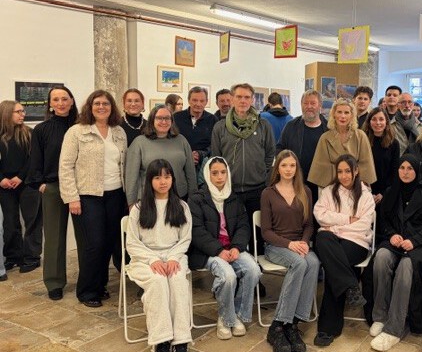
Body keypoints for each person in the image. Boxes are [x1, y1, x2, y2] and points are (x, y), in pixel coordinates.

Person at [59, 90, 128, 307]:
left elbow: (123, 163)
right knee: (93, 244)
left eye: (105, 104)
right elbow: (65, 166)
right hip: (88, 196)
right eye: (97, 103)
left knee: (108, 243)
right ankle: (87, 291)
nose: (101, 107)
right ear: (89, 107)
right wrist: (72, 197)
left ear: (112, 107)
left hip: (116, 194)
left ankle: (100, 285)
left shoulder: (119, 132)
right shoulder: (76, 132)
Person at [369, 155, 422, 351]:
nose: (406, 172)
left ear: (417, 170)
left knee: (406, 265)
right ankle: (380, 316)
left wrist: (415, 241)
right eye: (402, 168)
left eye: (410, 168)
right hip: (397, 240)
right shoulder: (391, 191)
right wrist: (392, 234)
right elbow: (384, 220)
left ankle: (394, 329)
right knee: (381, 257)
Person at [188, 156, 261, 340]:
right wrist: (218, 251)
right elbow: (196, 231)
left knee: (253, 270)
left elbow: (243, 226)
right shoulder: (197, 199)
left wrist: (236, 247)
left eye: (223, 172)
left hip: (232, 248)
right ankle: (225, 317)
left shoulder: (233, 197)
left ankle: (237, 315)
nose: (219, 177)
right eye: (215, 173)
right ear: (207, 175)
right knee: (228, 276)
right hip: (209, 252)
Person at [126, 159, 192, 352]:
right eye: (157, 177)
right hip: (145, 258)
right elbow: (132, 243)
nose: (163, 182)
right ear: (149, 181)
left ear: (172, 179)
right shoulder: (138, 209)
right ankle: (162, 338)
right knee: (158, 282)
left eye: (167, 176)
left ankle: (180, 339)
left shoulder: (182, 206)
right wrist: (152, 259)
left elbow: (185, 239)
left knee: (178, 281)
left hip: (175, 256)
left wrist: (172, 257)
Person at [313, 154, 375, 347]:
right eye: (340, 171)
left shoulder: (365, 195)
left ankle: (327, 328)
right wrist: (347, 220)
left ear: (356, 171)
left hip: (356, 243)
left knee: (333, 266)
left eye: (347, 171)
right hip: (332, 241)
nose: (344, 175)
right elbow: (319, 215)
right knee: (321, 238)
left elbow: (364, 225)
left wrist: (335, 227)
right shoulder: (329, 191)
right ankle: (351, 286)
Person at [261, 150, 319, 352]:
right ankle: (278, 325)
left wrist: (303, 242)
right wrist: (289, 244)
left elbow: (309, 225)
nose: (288, 169)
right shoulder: (268, 193)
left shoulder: (305, 191)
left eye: (292, 165)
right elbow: (266, 232)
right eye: (284, 165)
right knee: (299, 263)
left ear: (297, 168)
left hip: (299, 244)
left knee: (314, 262)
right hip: (276, 246)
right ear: (277, 168)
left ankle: (292, 324)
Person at [29, 86, 81, 300]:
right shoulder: (41, 129)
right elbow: (35, 160)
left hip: (82, 186)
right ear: (50, 104)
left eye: (64, 99)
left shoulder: (82, 126)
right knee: (54, 238)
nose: (61, 103)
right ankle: (54, 282)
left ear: (71, 101)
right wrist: (41, 184)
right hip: (54, 187)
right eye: (56, 99)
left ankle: (89, 280)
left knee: (86, 237)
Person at [211, 83, 275, 255]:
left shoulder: (263, 125)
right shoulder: (220, 127)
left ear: (253, 100)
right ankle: (236, 266)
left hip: (257, 188)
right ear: (232, 99)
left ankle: (257, 267)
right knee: (232, 233)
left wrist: (262, 173)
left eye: (247, 97)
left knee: (257, 234)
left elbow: (270, 154)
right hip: (230, 190)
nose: (243, 101)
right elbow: (216, 158)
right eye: (239, 97)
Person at [126, 106, 197, 207]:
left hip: (179, 197)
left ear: (172, 121)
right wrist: (131, 203)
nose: (164, 122)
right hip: (149, 199)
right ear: (152, 120)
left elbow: (190, 172)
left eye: (167, 118)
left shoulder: (181, 140)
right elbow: (131, 177)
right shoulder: (139, 143)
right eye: (159, 118)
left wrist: (194, 198)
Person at [0, 100, 42, 273]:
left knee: (32, 221)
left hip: (27, 183)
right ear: (7, 113)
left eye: (23, 111)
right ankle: (13, 256)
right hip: (5, 185)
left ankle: (32, 257)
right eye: (18, 111)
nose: (23, 114)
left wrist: (20, 177)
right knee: (10, 223)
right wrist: (1, 179)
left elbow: (33, 159)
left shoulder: (29, 134)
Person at [308, 98, 376, 188]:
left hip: (356, 185)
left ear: (352, 115)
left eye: (346, 112)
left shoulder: (360, 136)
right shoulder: (325, 138)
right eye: (339, 112)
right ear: (334, 114)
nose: (343, 116)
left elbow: (366, 165)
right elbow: (321, 168)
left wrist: (351, 181)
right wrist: (343, 175)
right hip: (331, 186)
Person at [277, 90, 328, 204]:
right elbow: (280, 149)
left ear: (320, 105)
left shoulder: (328, 129)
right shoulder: (291, 126)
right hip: (296, 181)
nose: (309, 106)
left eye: (313, 103)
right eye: (305, 103)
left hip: (321, 183)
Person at [173, 86, 217, 177]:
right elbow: (171, 140)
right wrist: (188, 155)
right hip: (179, 164)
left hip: (204, 166)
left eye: (202, 101)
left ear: (206, 102)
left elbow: (215, 144)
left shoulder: (213, 119)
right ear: (189, 100)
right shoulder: (176, 118)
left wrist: (200, 154)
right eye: (195, 100)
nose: (198, 104)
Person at [362, 107, 400, 205]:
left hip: (385, 193)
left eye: (381, 119)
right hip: (364, 190)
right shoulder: (363, 141)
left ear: (386, 122)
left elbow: (394, 171)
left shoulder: (394, 143)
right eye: (374, 119)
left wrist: (383, 193)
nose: (378, 123)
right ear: (369, 122)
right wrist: (367, 191)